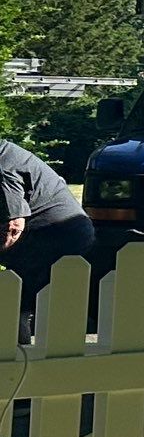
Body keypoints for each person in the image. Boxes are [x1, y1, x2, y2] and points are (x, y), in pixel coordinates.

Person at [2, 134, 95, 313]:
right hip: (51, 235)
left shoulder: (4, 166)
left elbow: (12, 229)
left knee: (14, 304)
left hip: (56, 237)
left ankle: (17, 339)